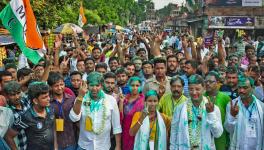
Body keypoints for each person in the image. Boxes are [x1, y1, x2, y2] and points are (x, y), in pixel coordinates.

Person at [69, 72, 122, 150]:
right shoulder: (81, 99)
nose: (94, 88)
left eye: (97, 85)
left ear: (102, 85)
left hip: (103, 146)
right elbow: (74, 118)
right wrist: (80, 96)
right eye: (91, 85)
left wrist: (118, 146)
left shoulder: (111, 100)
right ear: (87, 85)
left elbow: (116, 125)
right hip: (84, 146)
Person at [170, 74, 223, 149]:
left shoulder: (213, 108)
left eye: (197, 89)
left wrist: (211, 113)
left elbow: (218, 134)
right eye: (191, 89)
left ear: (204, 88)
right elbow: (174, 132)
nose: (194, 92)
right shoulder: (180, 108)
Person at [11, 82, 56, 150]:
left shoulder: (51, 109)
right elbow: (8, 136)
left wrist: (56, 147)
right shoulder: (26, 116)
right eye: (44, 97)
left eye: (48, 96)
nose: (48, 99)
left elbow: (53, 129)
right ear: (35, 101)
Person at [224, 76, 264, 150]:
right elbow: (228, 129)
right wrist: (232, 116)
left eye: (245, 88)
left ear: (253, 88)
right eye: (239, 87)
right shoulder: (231, 105)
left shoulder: (261, 107)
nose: (241, 90)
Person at [48, 72, 78, 150]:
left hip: (71, 141)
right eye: (56, 86)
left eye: (61, 85)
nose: (60, 88)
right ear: (50, 87)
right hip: (55, 143)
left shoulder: (71, 99)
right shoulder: (48, 102)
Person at [204, 71, 230, 150]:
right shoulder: (201, 97)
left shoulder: (225, 98)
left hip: (220, 138)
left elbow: (229, 121)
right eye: (206, 82)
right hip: (205, 136)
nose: (208, 84)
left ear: (218, 83)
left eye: (211, 82)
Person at [119, 76, 145, 150]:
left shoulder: (144, 100)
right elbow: (120, 117)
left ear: (141, 87)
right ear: (128, 86)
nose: (135, 88)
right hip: (125, 132)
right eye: (132, 85)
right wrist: (121, 102)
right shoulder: (124, 98)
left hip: (138, 131)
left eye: (137, 85)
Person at [3, 81, 30, 150]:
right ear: (7, 96)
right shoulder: (7, 112)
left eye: (18, 93)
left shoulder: (26, 101)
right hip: (22, 146)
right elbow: (7, 137)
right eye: (13, 95)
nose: (17, 97)